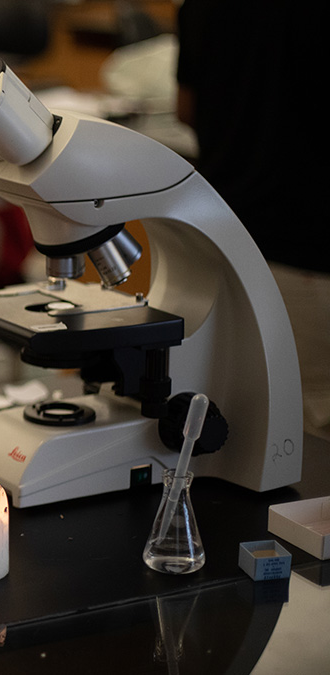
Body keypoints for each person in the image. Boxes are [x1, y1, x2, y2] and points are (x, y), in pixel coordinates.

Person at [175, 0, 329, 438]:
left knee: (241, 442)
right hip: (309, 265)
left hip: (227, 251)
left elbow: (186, 108)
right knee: (309, 462)